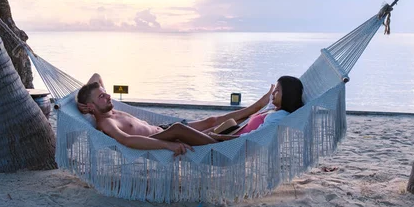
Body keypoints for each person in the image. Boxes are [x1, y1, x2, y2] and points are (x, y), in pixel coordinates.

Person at [76, 74, 276, 156]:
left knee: (211, 121)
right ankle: (230, 146)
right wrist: (166, 144)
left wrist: (80, 102)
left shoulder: (108, 108)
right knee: (183, 129)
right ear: (92, 107)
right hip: (158, 138)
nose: (108, 95)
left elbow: (96, 76)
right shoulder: (106, 123)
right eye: (102, 96)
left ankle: (255, 107)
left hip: (162, 130)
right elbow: (127, 140)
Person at [208, 76, 304, 141]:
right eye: (273, 91)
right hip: (228, 134)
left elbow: (254, 136)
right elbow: (268, 103)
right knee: (212, 122)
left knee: (194, 133)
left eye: (277, 91)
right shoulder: (274, 110)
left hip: (225, 144)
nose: (273, 93)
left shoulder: (278, 116)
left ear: (288, 94)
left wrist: (220, 136)